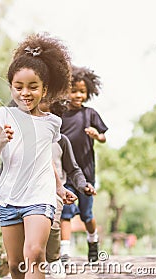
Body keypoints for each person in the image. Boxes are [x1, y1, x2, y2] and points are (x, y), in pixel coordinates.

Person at [0, 33, 71, 279]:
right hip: (11, 197)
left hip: (40, 196)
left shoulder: (52, 123)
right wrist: (1, 141)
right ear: (11, 86)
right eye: (18, 86)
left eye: (33, 87)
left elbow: (46, 159)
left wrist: (59, 188)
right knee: (15, 265)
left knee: (34, 254)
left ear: (45, 90)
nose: (25, 92)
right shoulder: (3, 116)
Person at [0, 97, 96, 279]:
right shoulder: (18, 139)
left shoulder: (61, 141)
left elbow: (72, 168)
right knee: (19, 256)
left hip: (48, 193)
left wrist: (79, 185)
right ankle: (35, 264)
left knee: (52, 226)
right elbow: (5, 168)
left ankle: (54, 259)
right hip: (16, 196)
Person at [59, 65, 108, 263]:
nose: (77, 95)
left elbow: (104, 136)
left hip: (86, 173)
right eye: (73, 90)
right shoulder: (60, 115)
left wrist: (97, 135)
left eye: (82, 91)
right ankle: (64, 252)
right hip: (66, 173)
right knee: (66, 212)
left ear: (88, 93)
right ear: (65, 91)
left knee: (87, 215)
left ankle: (93, 240)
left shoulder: (90, 114)